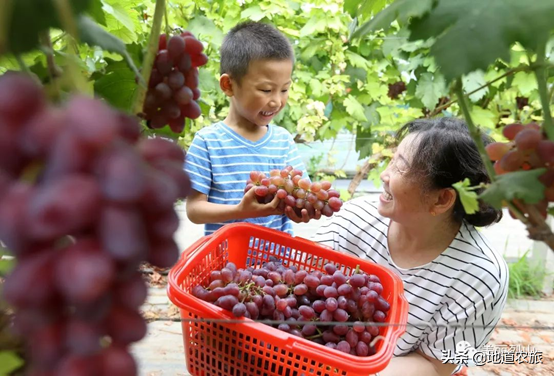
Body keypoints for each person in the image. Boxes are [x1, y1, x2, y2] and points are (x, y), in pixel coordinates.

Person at [313, 118, 509, 376]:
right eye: (392, 160)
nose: (384, 175)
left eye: (400, 168)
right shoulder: (354, 218)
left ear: (442, 199)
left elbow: (435, 365)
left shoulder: (480, 276)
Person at [185, 21, 316, 236]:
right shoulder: (208, 142)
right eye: (266, 90)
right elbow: (194, 210)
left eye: (284, 89)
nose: (276, 101)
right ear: (228, 85)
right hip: (225, 265)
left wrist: (302, 210)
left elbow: (302, 196)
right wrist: (239, 211)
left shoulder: (283, 141)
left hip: (277, 265)